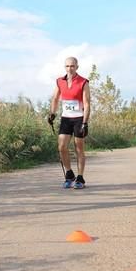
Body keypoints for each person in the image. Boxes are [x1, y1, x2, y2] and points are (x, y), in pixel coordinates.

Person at [48, 57, 91, 189]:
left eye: (72, 66)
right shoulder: (60, 81)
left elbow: (87, 103)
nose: (69, 69)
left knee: (79, 148)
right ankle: (69, 173)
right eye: (67, 66)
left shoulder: (83, 82)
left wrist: (85, 122)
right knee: (62, 147)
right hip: (66, 118)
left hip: (79, 118)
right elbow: (55, 98)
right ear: (64, 67)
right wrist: (52, 113)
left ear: (77, 67)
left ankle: (80, 178)